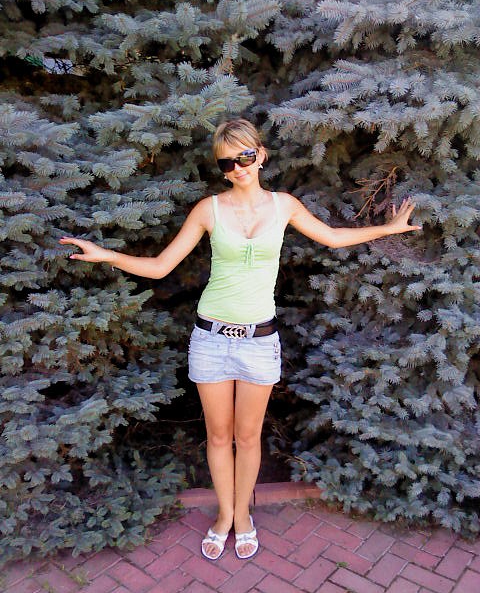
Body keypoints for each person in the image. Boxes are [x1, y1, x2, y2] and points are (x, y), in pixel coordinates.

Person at [59, 118, 421, 561]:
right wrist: (106, 255)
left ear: (261, 155)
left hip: (259, 341)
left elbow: (332, 238)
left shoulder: (284, 206)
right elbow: (160, 267)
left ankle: (244, 516)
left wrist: (389, 229)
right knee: (218, 437)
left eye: (245, 157)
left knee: (248, 439)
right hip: (211, 339)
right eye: (227, 162)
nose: (238, 167)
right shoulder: (208, 210)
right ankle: (225, 515)